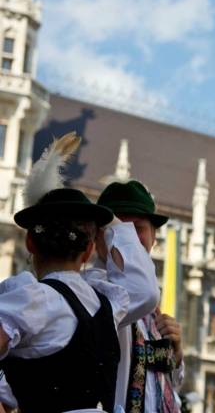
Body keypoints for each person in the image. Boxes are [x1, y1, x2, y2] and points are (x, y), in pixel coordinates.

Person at [0, 133, 159, 413]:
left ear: (30, 242)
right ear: (89, 250)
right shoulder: (106, 305)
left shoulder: (29, 300)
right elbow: (145, 291)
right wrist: (110, 222)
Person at [98, 180, 184, 413]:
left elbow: (168, 385)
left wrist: (176, 352)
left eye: (138, 228)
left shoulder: (153, 308)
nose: (130, 238)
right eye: (118, 228)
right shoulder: (94, 292)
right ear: (96, 237)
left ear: (154, 236)